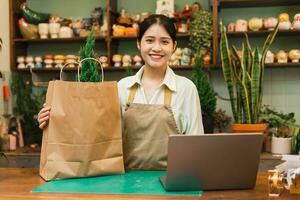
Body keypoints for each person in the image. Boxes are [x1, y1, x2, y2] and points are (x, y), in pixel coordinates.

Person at [37, 14, 204, 170]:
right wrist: (55, 119)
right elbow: (96, 133)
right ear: (139, 44)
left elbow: (196, 145)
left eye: (165, 42)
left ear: (174, 46)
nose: (156, 48)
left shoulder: (186, 89)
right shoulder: (122, 87)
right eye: (150, 40)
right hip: (124, 181)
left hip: (171, 180)